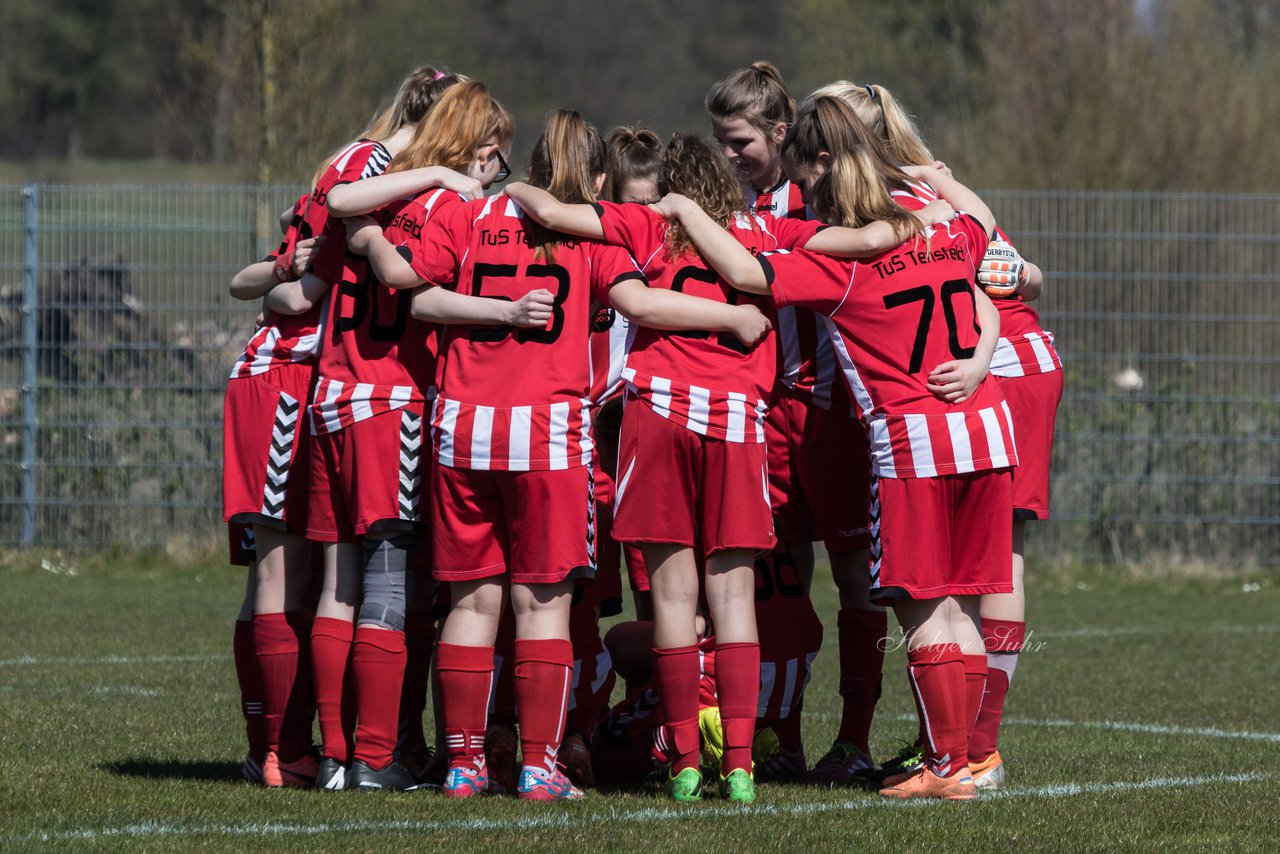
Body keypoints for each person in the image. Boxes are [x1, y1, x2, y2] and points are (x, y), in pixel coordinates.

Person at [506, 131, 952, 803]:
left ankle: (687, 762)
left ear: (670, 187)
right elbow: (872, 240)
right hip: (739, 422)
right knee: (735, 599)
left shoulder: (648, 223)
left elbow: (551, 212)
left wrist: (506, 187)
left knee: (676, 603)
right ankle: (740, 766)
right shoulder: (764, 232)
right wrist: (934, 203)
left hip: (658, 415)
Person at [348, 109, 772, 801]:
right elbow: (643, 305)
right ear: (598, 176)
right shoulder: (594, 235)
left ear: (533, 166)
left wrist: (365, 235)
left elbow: (415, 297)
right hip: (549, 432)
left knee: (471, 603)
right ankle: (540, 768)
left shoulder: (468, 215)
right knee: (542, 605)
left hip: (462, 426)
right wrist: (730, 318)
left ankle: (463, 765)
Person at [653, 124, 1017, 801]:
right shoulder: (947, 232)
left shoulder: (841, 267)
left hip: (914, 441)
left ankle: (944, 769)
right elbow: (984, 225)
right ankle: (970, 758)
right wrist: (931, 177)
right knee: (964, 603)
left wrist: (683, 210)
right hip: (988, 429)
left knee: (923, 607)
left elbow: (739, 270)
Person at [265, 80, 520, 792]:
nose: (497, 169)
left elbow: (334, 210)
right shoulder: (445, 206)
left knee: (339, 582)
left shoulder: (374, 196)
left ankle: (340, 754)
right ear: (479, 147)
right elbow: (419, 289)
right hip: (393, 405)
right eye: (494, 154)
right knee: (388, 580)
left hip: (333, 397)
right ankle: (378, 756)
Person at [815, 81, 1062, 788]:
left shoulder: (900, 197)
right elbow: (1024, 271)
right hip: (1009, 362)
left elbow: (1015, 276)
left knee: (982, 565)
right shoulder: (936, 188)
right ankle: (964, 746)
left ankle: (973, 747)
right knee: (982, 564)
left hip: (991, 373)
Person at [223, 193, 324, 787]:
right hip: (285, 385)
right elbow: (261, 286)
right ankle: (280, 750)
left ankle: (272, 747)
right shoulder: (362, 194)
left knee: (281, 570)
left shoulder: (352, 193)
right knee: (284, 569)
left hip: (289, 384)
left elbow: (262, 283)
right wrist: (292, 267)